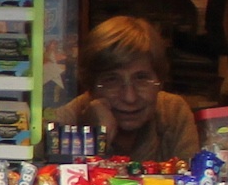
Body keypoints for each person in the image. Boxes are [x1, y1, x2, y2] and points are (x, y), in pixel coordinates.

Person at [47, 16, 204, 160]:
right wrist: (96, 140)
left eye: (141, 78)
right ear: (90, 87)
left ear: (160, 80)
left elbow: (193, 183)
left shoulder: (173, 112)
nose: (130, 97)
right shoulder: (62, 123)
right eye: (112, 80)